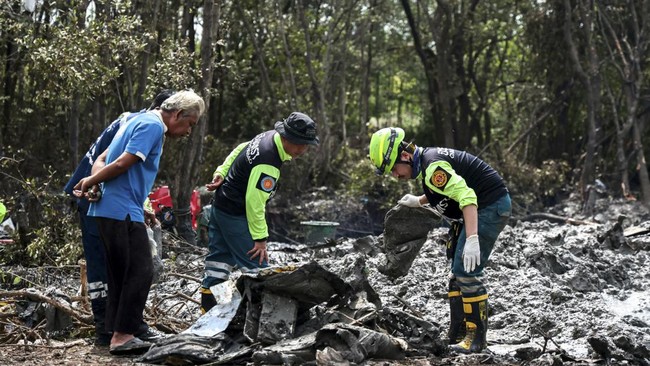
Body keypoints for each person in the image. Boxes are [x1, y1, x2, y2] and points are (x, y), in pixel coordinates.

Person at [73, 90, 205, 354]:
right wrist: (91, 182)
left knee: (121, 273)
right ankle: (123, 336)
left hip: (114, 208)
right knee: (141, 270)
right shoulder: (154, 126)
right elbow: (122, 163)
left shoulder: (136, 120)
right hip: (120, 210)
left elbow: (102, 159)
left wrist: (98, 184)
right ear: (178, 114)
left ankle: (116, 332)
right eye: (189, 124)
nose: (188, 131)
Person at [368, 127, 511, 354]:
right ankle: (458, 333)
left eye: (394, 169)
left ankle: (476, 341)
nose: (395, 176)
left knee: (466, 271)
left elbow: (467, 197)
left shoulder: (433, 166)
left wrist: (472, 238)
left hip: (488, 207)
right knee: (456, 273)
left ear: (405, 156)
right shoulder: (427, 164)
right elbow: (444, 191)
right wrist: (419, 201)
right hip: (473, 210)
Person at [63, 91, 173, 346]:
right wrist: (95, 186)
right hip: (93, 195)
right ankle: (106, 327)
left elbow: (128, 175)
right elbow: (104, 161)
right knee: (111, 265)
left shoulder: (136, 121)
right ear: (163, 109)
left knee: (124, 265)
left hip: (105, 194)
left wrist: (140, 204)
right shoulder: (143, 123)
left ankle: (126, 327)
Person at [199, 112, 319, 314]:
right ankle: (260, 317)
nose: (303, 150)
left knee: (218, 263)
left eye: (307, 144)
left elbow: (240, 148)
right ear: (286, 138)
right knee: (258, 269)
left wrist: (222, 171)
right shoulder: (268, 163)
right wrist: (260, 238)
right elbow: (254, 203)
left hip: (220, 206)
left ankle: (209, 313)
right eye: (300, 144)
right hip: (235, 214)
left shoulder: (268, 136)